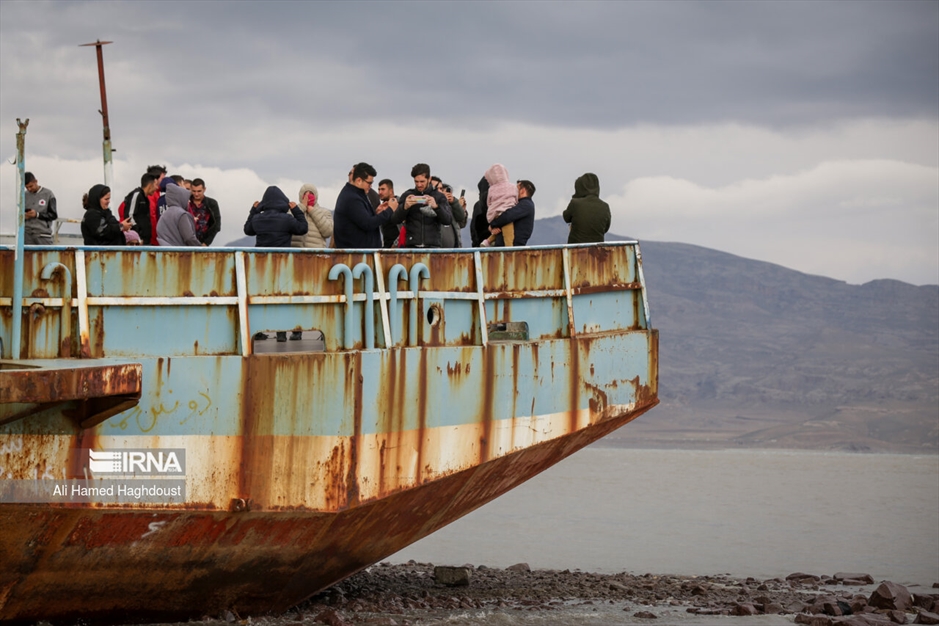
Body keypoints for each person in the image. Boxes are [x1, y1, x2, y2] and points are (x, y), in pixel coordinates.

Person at [244, 186, 308, 342]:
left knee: (267, 295)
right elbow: (303, 228)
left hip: (262, 264)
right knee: (284, 296)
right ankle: (284, 331)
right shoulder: (287, 219)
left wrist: (254, 210)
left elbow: (248, 230)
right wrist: (297, 211)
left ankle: (269, 331)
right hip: (283, 263)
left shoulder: (258, 219)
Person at [333, 162, 394, 248]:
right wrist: (390, 210)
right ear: (358, 181)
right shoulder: (352, 198)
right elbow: (368, 224)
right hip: (356, 256)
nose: (370, 186)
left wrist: (376, 213)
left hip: (360, 254)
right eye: (369, 183)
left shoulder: (356, 194)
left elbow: (362, 220)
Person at [391, 163, 452, 248]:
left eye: (422, 181)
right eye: (416, 181)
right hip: (412, 246)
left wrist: (436, 207)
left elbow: (448, 220)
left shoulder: (439, 196)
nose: (419, 185)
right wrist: (404, 207)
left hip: (433, 246)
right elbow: (395, 220)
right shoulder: (407, 195)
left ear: (429, 179)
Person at [562, 173, 611, 244]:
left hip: (575, 250)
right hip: (598, 251)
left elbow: (566, 217)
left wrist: (576, 197)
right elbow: (605, 228)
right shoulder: (605, 206)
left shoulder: (575, 203)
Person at [489, 179, 536, 246]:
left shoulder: (525, 205)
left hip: (512, 247)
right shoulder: (523, 204)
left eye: (516, 188)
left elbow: (507, 216)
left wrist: (493, 224)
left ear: (523, 191)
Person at [482, 163, 517, 247]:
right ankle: (510, 255)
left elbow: (489, 203)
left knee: (499, 230)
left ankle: (488, 241)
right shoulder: (512, 186)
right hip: (507, 215)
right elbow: (516, 200)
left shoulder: (491, 189)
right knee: (509, 239)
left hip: (495, 215)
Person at [157, 181, 202, 246]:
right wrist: (201, 249)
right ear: (181, 199)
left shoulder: (164, 215)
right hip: (179, 254)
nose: (189, 201)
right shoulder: (181, 215)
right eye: (187, 199)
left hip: (166, 253)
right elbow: (189, 238)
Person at [291, 183, 334, 249]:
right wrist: (301, 208)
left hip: (316, 255)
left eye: (311, 193)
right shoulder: (292, 210)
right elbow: (286, 225)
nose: (308, 196)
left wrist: (313, 212)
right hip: (296, 255)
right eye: (305, 194)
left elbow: (328, 232)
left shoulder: (324, 212)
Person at [121, 173, 159, 245]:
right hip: (138, 242)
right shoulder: (137, 195)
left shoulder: (146, 199)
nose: (157, 188)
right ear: (150, 185)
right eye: (156, 185)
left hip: (146, 241)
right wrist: (138, 236)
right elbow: (130, 216)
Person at [23, 172, 57, 245]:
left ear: (36, 181)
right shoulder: (23, 195)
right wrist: (24, 216)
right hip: (27, 235)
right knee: (27, 256)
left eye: (31, 186)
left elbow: (53, 215)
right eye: (27, 187)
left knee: (47, 255)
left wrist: (37, 215)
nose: (29, 189)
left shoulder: (48, 194)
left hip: (43, 235)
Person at [188, 178, 222, 246]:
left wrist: (206, 243)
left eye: (199, 191)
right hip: (186, 242)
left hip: (203, 242)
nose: (196, 194)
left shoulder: (212, 204)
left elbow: (217, 225)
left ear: (204, 189)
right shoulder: (185, 202)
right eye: (194, 191)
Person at [437, 183, 466, 248]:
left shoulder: (453, 205)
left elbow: (461, 223)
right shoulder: (435, 205)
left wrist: (459, 207)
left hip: (455, 247)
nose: (448, 195)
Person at [377, 179, 402, 248]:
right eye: (379, 189)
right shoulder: (382, 207)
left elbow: (405, 227)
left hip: (399, 248)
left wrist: (396, 244)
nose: (380, 192)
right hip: (385, 247)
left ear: (391, 191)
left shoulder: (400, 204)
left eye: (383, 189)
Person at [470, 176, 490, 247]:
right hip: (489, 243)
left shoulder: (478, 205)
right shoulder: (480, 205)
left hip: (480, 245)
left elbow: (473, 228)